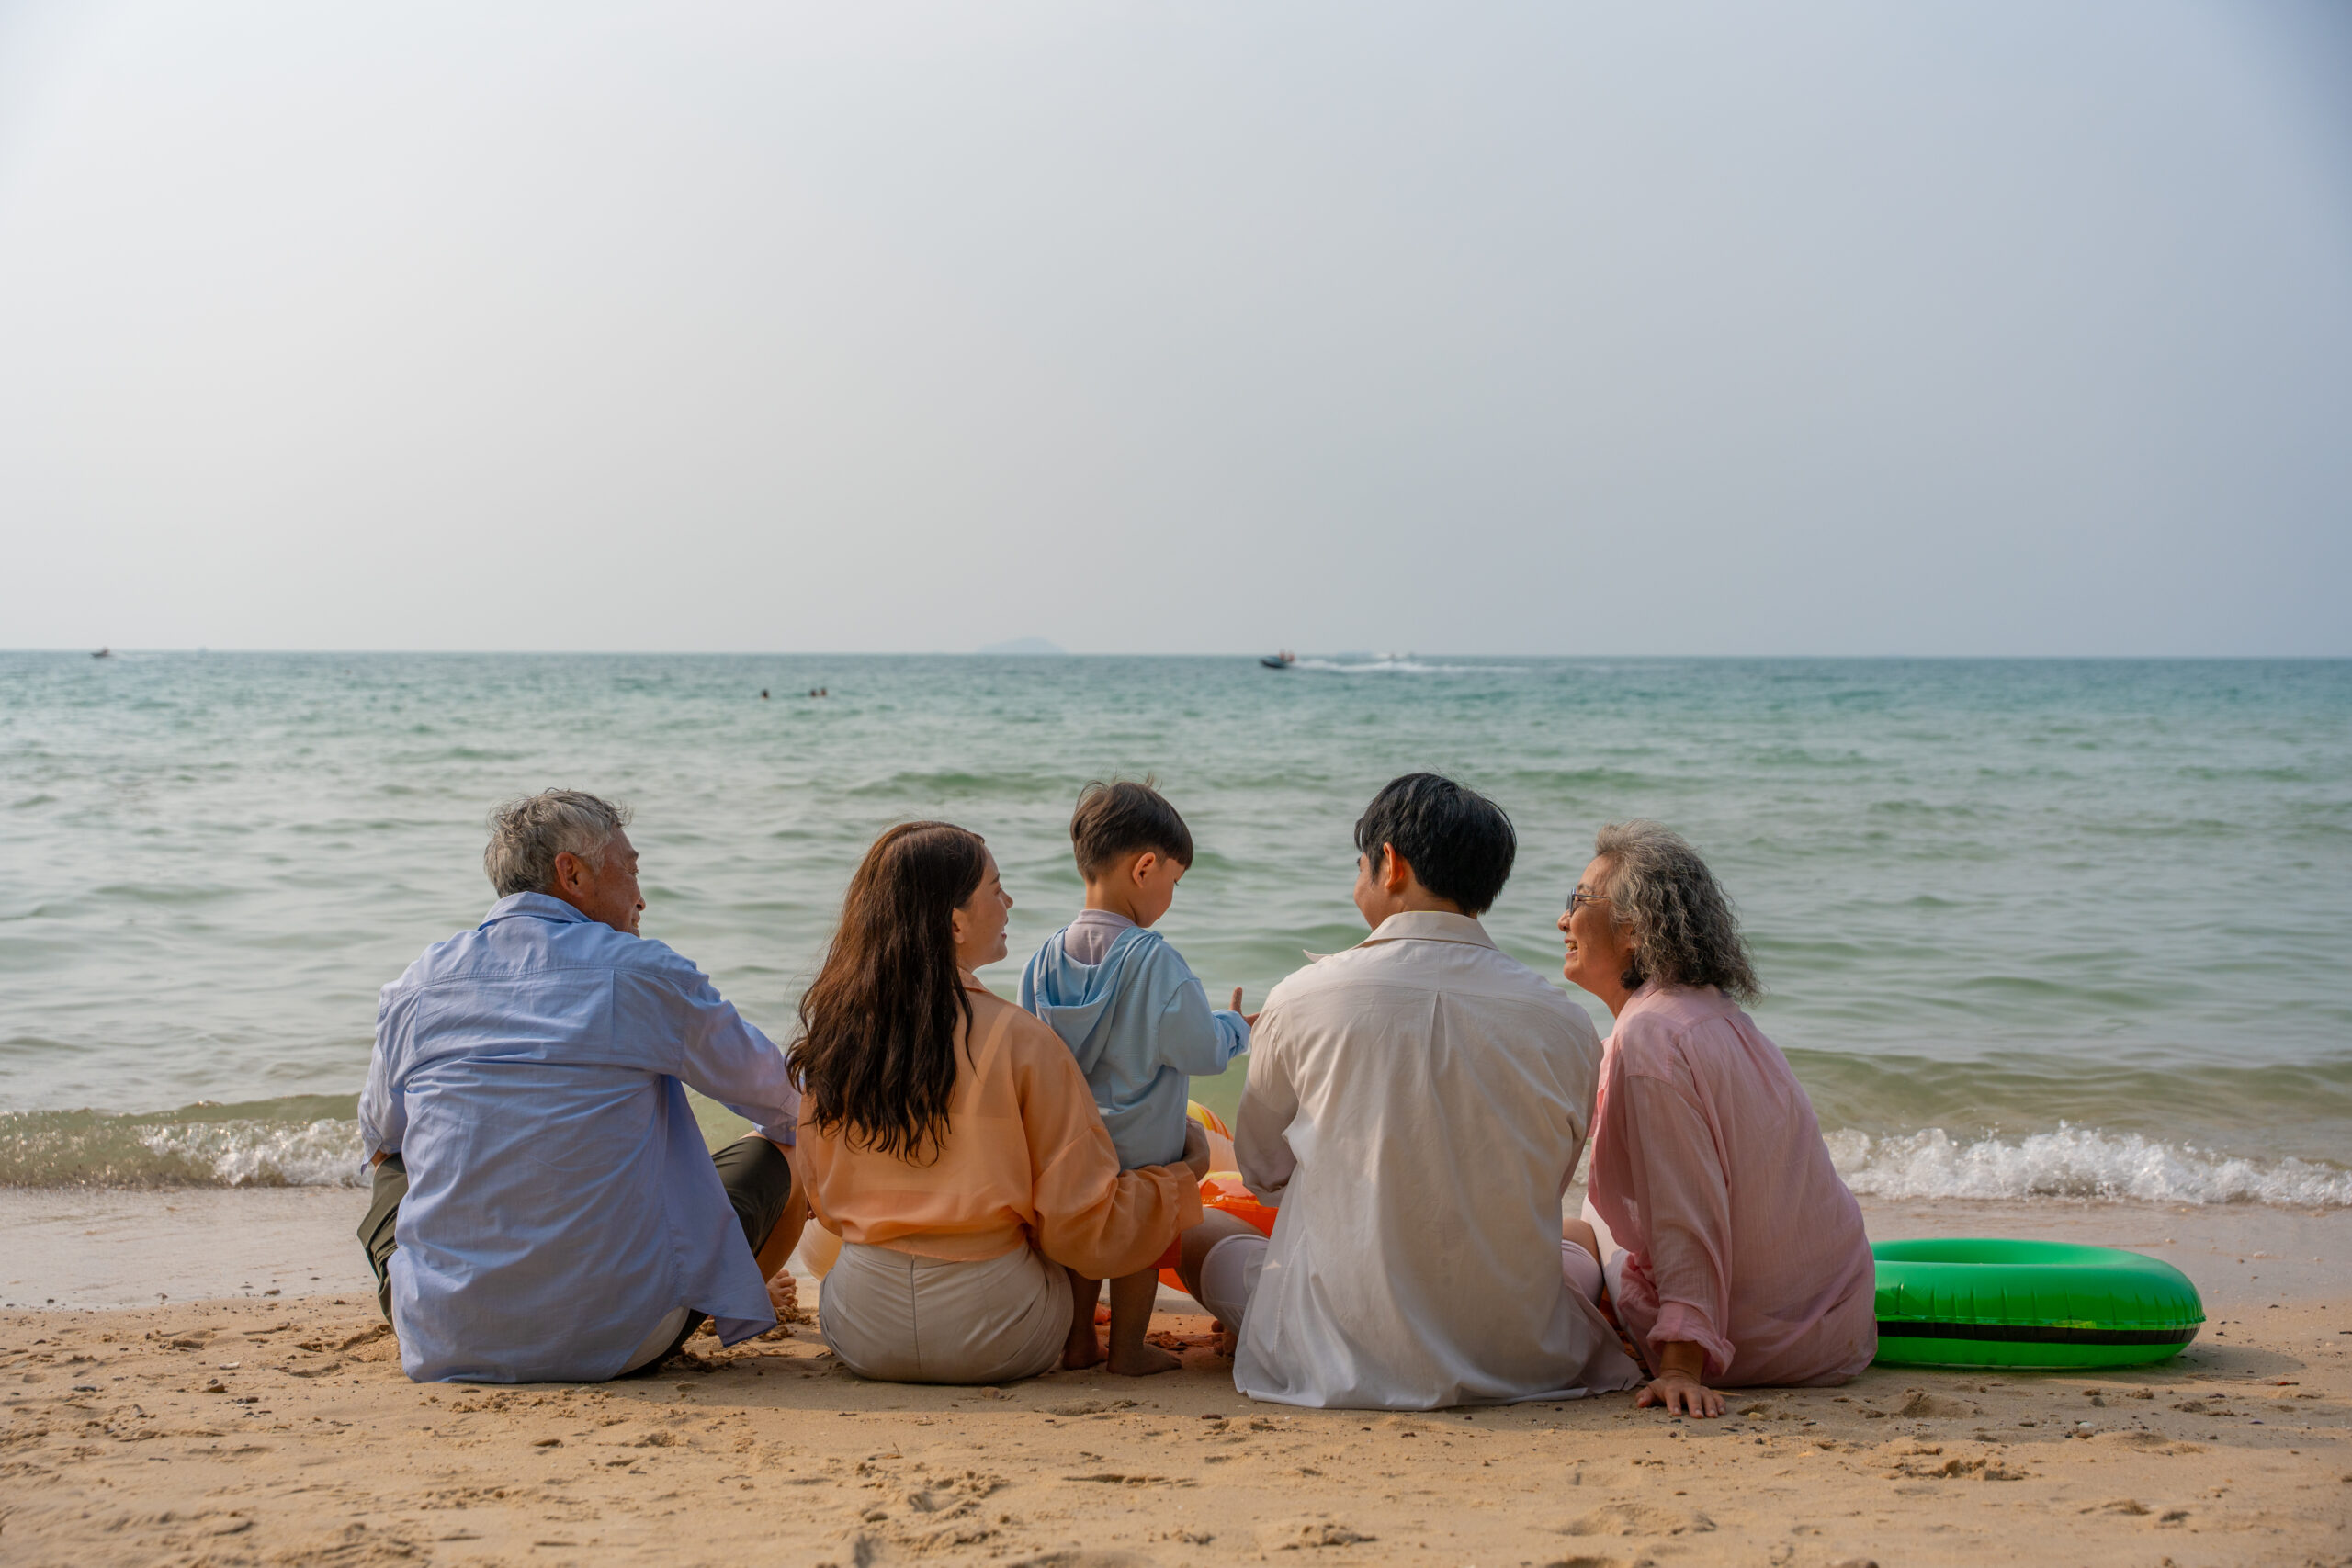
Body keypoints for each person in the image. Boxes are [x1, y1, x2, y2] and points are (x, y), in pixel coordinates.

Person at [1175, 773, 1643, 1409]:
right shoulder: (1563, 1020)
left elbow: (1262, 1171)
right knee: (1573, 1239)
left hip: (1337, 1348)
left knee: (1199, 1226)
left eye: (1359, 862)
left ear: (1390, 863)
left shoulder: (1302, 997)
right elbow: (1546, 1175)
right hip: (1515, 1351)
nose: (1356, 878)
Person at [357, 790, 806, 1383]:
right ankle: (745, 1295)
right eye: (632, 870)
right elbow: (783, 1100)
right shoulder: (642, 972)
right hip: (623, 1338)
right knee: (785, 1149)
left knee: (392, 1160)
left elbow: (382, 1140)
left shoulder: (416, 985)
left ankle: (458, 1295)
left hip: (443, 1336)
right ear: (571, 872)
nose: (641, 897)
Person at [792, 821, 1212, 1384]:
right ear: (955, 923)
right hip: (994, 1332)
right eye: (995, 888)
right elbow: (1081, 1223)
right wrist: (1183, 1176)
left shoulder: (839, 1037)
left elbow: (820, 1192)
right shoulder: (1024, 1041)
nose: (1008, 902)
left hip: (860, 1326)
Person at [1561, 819, 1876, 1417]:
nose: (1562, 920)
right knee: (1591, 1222)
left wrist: (1682, 1364)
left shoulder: (1650, 1033)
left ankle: (1661, 1333)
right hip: (1839, 1329)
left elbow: (1686, 1207)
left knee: (1575, 1230)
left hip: (1749, 1347)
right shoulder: (1711, 1012)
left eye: (1577, 900)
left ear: (1632, 928)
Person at [1019, 780, 1251, 1375]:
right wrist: (1234, 1025)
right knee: (1143, 1245)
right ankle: (1126, 1350)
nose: (1171, 893)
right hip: (1144, 1156)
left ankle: (1076, 1340)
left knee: (1079, 1249)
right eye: (1174, 880)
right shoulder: (1156, 960)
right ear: (1145, 867)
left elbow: (1030, 1054)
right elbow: (1199, 1049)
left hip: (1068, 1153)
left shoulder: (1043, 959)